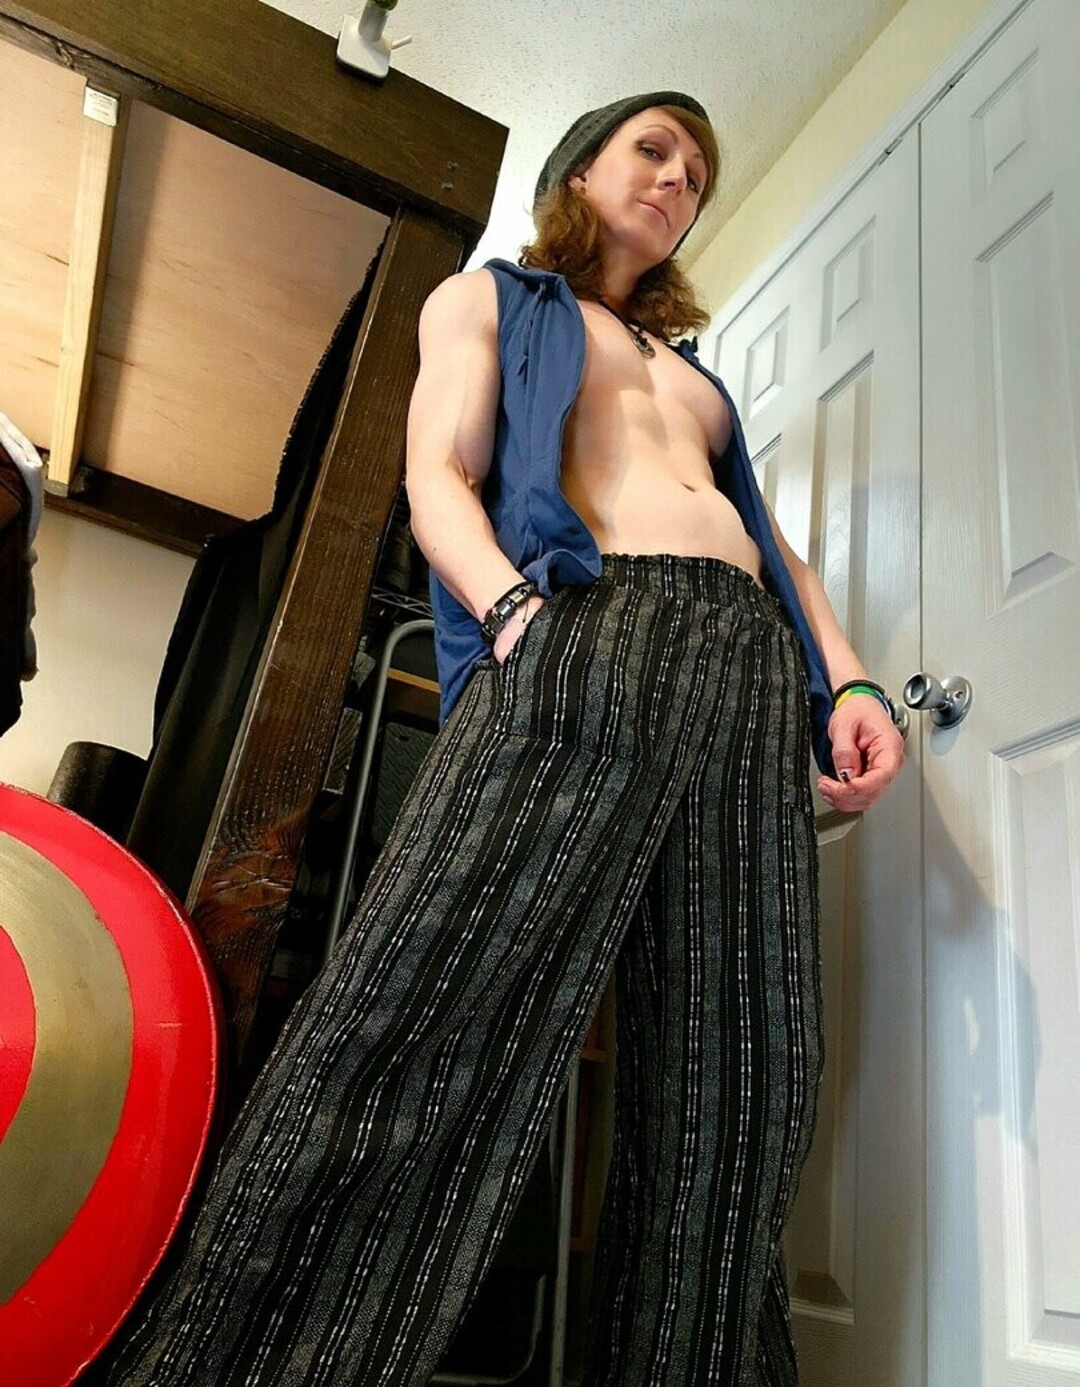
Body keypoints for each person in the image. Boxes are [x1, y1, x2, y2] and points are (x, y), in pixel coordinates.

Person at [104, 92, 903, 1386]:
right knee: (429, 1000)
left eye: (697, 174)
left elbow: (781, 556)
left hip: (748, 676)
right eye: (654, 149)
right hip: (588, 623)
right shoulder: (487, 300)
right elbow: (439, 473)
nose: (678, 180)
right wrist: (514, 613)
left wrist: (849, 685)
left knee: (746, 1064)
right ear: (581, 167)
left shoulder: (697, 380)